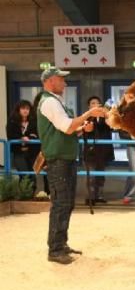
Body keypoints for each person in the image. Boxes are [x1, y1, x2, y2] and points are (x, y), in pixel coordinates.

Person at [37, 66, 106, 264]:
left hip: (64, 158)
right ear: (50, 81)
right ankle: (55, 249)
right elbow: (67, 126)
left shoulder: (56, 102)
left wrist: (82, 129)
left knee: (66, 203)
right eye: (61, 79)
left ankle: (61, 244)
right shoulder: (49, 102)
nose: (65, 83)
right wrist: (89, 114)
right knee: (61, 203)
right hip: (58, 160)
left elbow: (67, 130)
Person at [83, 96, 115, 204]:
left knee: (101, 175)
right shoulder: (86, 117)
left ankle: (99, 196)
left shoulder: (105, 117)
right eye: (92, 103)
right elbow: (84, 131)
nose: (95, 105)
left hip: (103, 150)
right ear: (89, 106)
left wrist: (107, 115)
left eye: (97, 103)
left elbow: (112, 127)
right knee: (91, 175)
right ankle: (91, 197)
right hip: (90, 150)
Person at [6, 100, 39, 194]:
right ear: (18, 110)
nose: (25, 111)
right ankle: (24, 195)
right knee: (24, 174)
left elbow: (36, 134)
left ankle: (31, 194)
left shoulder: (33, 121)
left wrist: (28, 137)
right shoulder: (12, 121)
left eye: (27, 109)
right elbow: (10, 135)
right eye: (23, 108)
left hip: (32, 152)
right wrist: (21, 138)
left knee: (33, 175)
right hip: (18, 152)